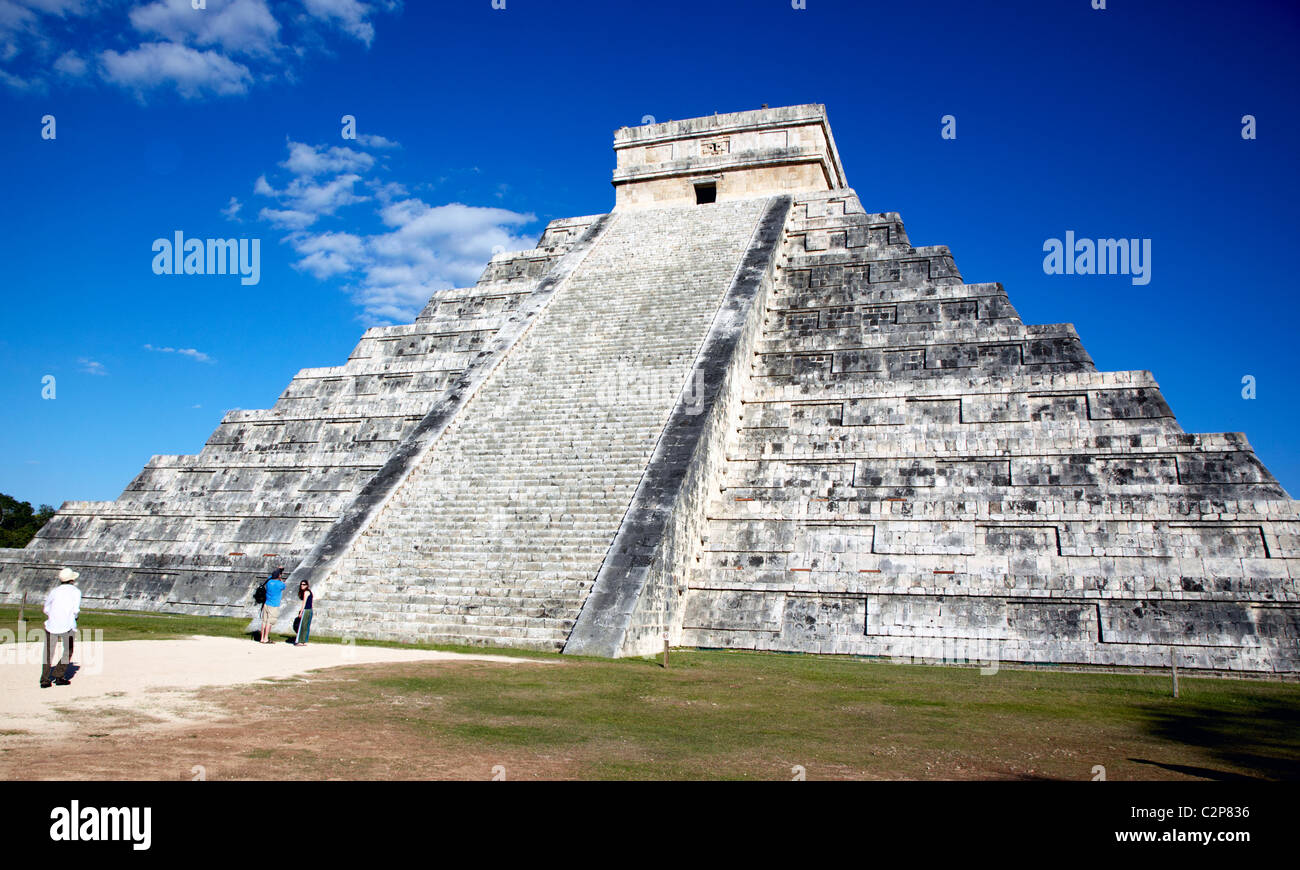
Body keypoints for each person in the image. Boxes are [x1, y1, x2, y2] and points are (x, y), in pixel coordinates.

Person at [41, 567, 82, 688]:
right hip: (67, 625)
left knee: (48, 653)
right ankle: (59, 675)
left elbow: (46, 608)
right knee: (68, 650)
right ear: (72, 580)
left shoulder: (55, 591)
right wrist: (75, 617)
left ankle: (44, 679)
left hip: (51, 624)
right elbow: (75, 610)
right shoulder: (76, 592)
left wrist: (53, 615)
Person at [260, 567, 287, 644]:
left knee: (264, 621)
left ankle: (262, 638)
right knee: (270, 621)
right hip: (274, 605)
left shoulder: (269, 581)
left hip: (266, 603)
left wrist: (278, 570)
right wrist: (280, 577)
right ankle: (266, 638)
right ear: (279, 576)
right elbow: (284, 585)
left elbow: (271, 577)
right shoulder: (280, 584)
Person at [294, 580, 314, 646]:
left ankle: (300, 641)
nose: (302, 585)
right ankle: (304, 641)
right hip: (310, 610)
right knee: (306, 626)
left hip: (306, 610)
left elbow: (304, 603)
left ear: (307, 585)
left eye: (304, 584)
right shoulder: (309, 592)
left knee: (302, 626)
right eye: (301, 584)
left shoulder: (306, 592)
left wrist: (301, 612)